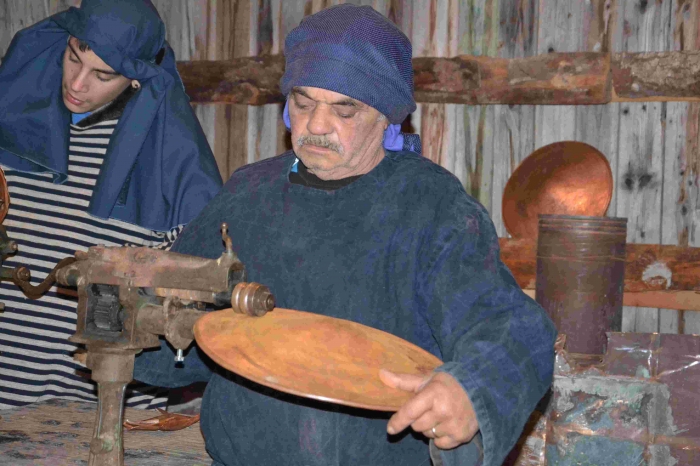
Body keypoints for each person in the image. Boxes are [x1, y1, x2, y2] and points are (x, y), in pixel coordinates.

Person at [134, 4, 556, 466]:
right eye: (303, 102)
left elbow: (509, 327)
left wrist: (473, 389)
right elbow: (179, 331)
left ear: (386, 116)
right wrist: (135, 317)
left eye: (344, 109)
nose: (316, 125)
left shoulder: (431, 207)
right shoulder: (247, 195)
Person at [0, 0, 222, 410]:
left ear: (137, 79)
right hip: (7, 392)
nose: (78, 83)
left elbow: (194, 304)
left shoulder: (170, 167)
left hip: (108, 404)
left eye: (103, 74)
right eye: (73, 57)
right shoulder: (8, 129)